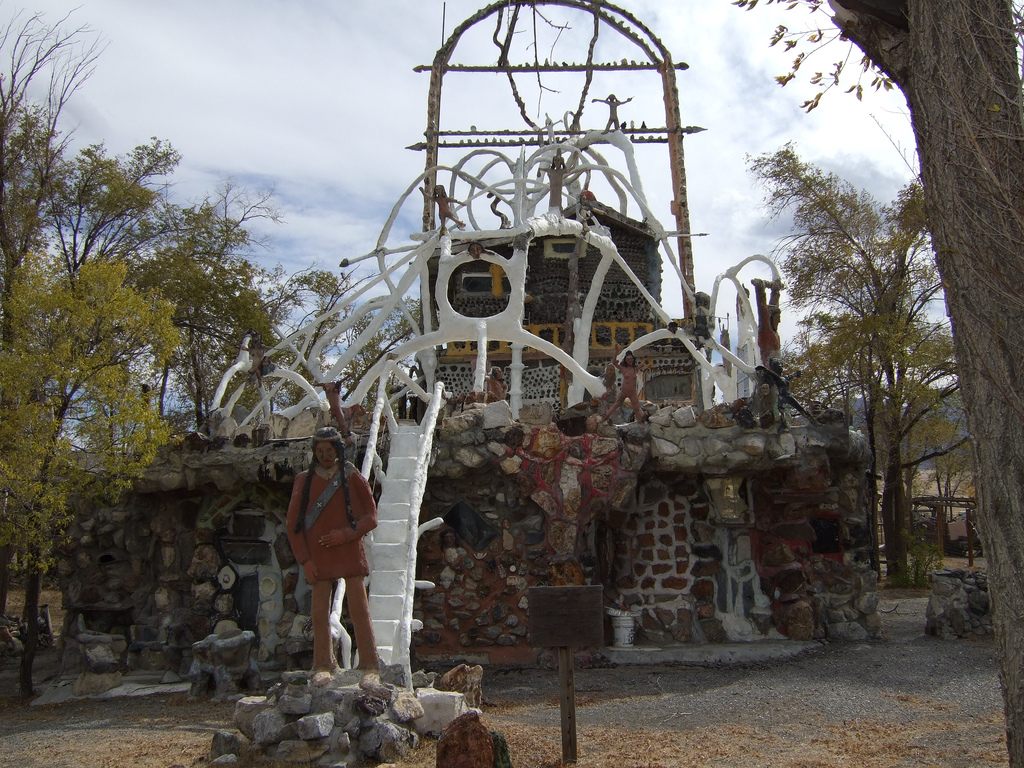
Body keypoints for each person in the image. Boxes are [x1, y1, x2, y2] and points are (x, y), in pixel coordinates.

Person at [286, 427, 378, 681]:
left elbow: (371, 517)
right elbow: (293, 525)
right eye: (321, 451)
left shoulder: (352, 476)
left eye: (330, 450)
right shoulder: (304, 481)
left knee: (360, 608)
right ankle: (323, 662)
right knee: (319, 612)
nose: (326, 456)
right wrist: (305, 560)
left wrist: (346, 534)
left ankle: (370, 662)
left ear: (338, 450)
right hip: (319, 555)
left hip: (348, 551)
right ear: (315, 452)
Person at [600, 348, 647, 423]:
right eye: (628, 359)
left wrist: (644, 361)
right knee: (616, 405)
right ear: (625, 360)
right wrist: (616, 352)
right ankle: (604, 418)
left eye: (631, 359)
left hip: (633, 392)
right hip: (624, 391)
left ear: (633, 359)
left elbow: (643, 364)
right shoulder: (623, 368)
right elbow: (614, 362)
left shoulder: (635, 369)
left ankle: (640, 421)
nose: (630, 360)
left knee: (636, 407)